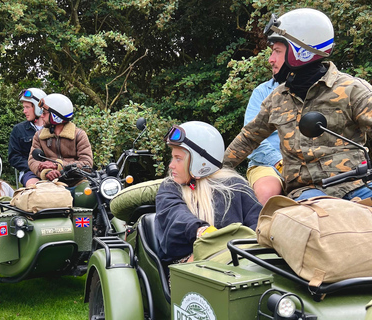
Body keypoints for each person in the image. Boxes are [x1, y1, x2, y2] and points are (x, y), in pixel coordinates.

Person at [223, 8, 372, 201]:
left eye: (277, 51)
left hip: (357, 184)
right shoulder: (276, 98)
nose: (271, 59)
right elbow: (248, 139)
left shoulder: (353, 90)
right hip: (308, 192)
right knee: (314, 223)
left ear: (301, 52)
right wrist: (211, 172)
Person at [155, 121, 262, 264]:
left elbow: (258, 223)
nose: (171, 165)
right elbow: (175, 213)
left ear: (201, 161)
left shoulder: (235, 185)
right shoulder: (170, 187)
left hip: (239, 260)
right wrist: (200, 230)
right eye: (173, 157)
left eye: (178, 159)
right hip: (189, 267)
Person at [244, 42, 286, 205]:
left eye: (277, 52)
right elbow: (252, 141)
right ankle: (258, 229)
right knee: (268, 190)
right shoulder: (261, 93)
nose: (270, 60)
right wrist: (282, 165)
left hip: (311, 163)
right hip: (268, 164)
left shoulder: (320, 91)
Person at [28, 93, 93, 184]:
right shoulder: (39, 136)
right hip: (48, 182)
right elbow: (32, 160)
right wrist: (47, 172)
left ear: (56, 116)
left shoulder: (79, 135)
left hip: (76, 180)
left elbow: (87, 163)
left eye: (44, 113)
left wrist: (58, 165)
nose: (41, 116)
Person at [8, 88, 47, 187]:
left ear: (39, 108)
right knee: (35, 188)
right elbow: (14, 157)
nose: (24, 111)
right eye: (23, 107)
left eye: (27, 107)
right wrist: (35, 167)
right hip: (29, 172)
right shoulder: (18, 129)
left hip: (54, 170)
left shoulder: (54, 129)